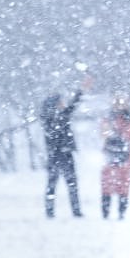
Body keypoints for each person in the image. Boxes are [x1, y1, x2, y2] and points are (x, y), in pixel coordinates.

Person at [40, 83, 87, 218]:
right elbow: (70, 107)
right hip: (58, 155)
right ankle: (55, 211)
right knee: (59, 184)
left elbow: (72, 106)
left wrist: (81, 91)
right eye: (60, 102)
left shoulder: (59, 116)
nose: (63, 104)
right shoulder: (53, 119)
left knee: (63, 184)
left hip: (61, 154)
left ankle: (69, 211)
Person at [98, 95, 130, 220]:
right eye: (117, 102)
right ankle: (106, 213)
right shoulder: (108, 118)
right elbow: (104, 132)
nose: (119, 106)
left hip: (125, 155)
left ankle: (121, 213)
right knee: (107, 185)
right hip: (110, 154)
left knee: (124, 186)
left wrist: (117, 133)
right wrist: (114, 133)